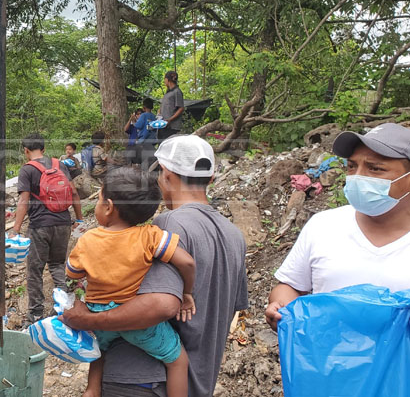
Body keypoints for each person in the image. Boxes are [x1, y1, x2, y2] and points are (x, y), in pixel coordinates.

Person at [63, 135, 248, 397]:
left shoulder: (166, 226)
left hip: (142, 381)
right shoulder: (234, 236)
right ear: (210, 179)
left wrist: (90, 319)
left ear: (166, 174)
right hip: (197, 381)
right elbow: (226, 312)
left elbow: (162, 305)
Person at [265, 123, 410, 331]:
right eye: (352, 166)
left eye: (375, 168)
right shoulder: (323, 226)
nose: (358, 176)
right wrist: (280, 307)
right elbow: (290, 286)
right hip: (328, 360)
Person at [67, 167, 196, 397]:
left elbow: (73, 273)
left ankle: (92, 389)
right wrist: (187, 294)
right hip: (137, 322)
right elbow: (187, 263)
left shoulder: (87, 240)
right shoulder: (150, 235)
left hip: (99, 318)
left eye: (98, 199)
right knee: (177, 361)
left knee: (100, 350)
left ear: (108, 207)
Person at [13, 133, 83, 326]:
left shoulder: (27, 170)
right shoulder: (59, 165)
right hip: (63, 223)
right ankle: (64, 307)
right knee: (57, 265)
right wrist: (79, 219)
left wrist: (16, 229)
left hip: (39, 226)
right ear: (43, 149)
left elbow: (23, 201)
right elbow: (74, 192)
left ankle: (35, 314)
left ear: (25, 150)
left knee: (35, 270)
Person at [158, 71, 185, 141]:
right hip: (163, 125)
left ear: (167, 79)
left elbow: (181, 108)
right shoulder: (167, 93)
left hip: (171, 127)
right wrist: (159, 114)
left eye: (164, 79)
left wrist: (170, 119)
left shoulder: (177, 92)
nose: (164, 81)